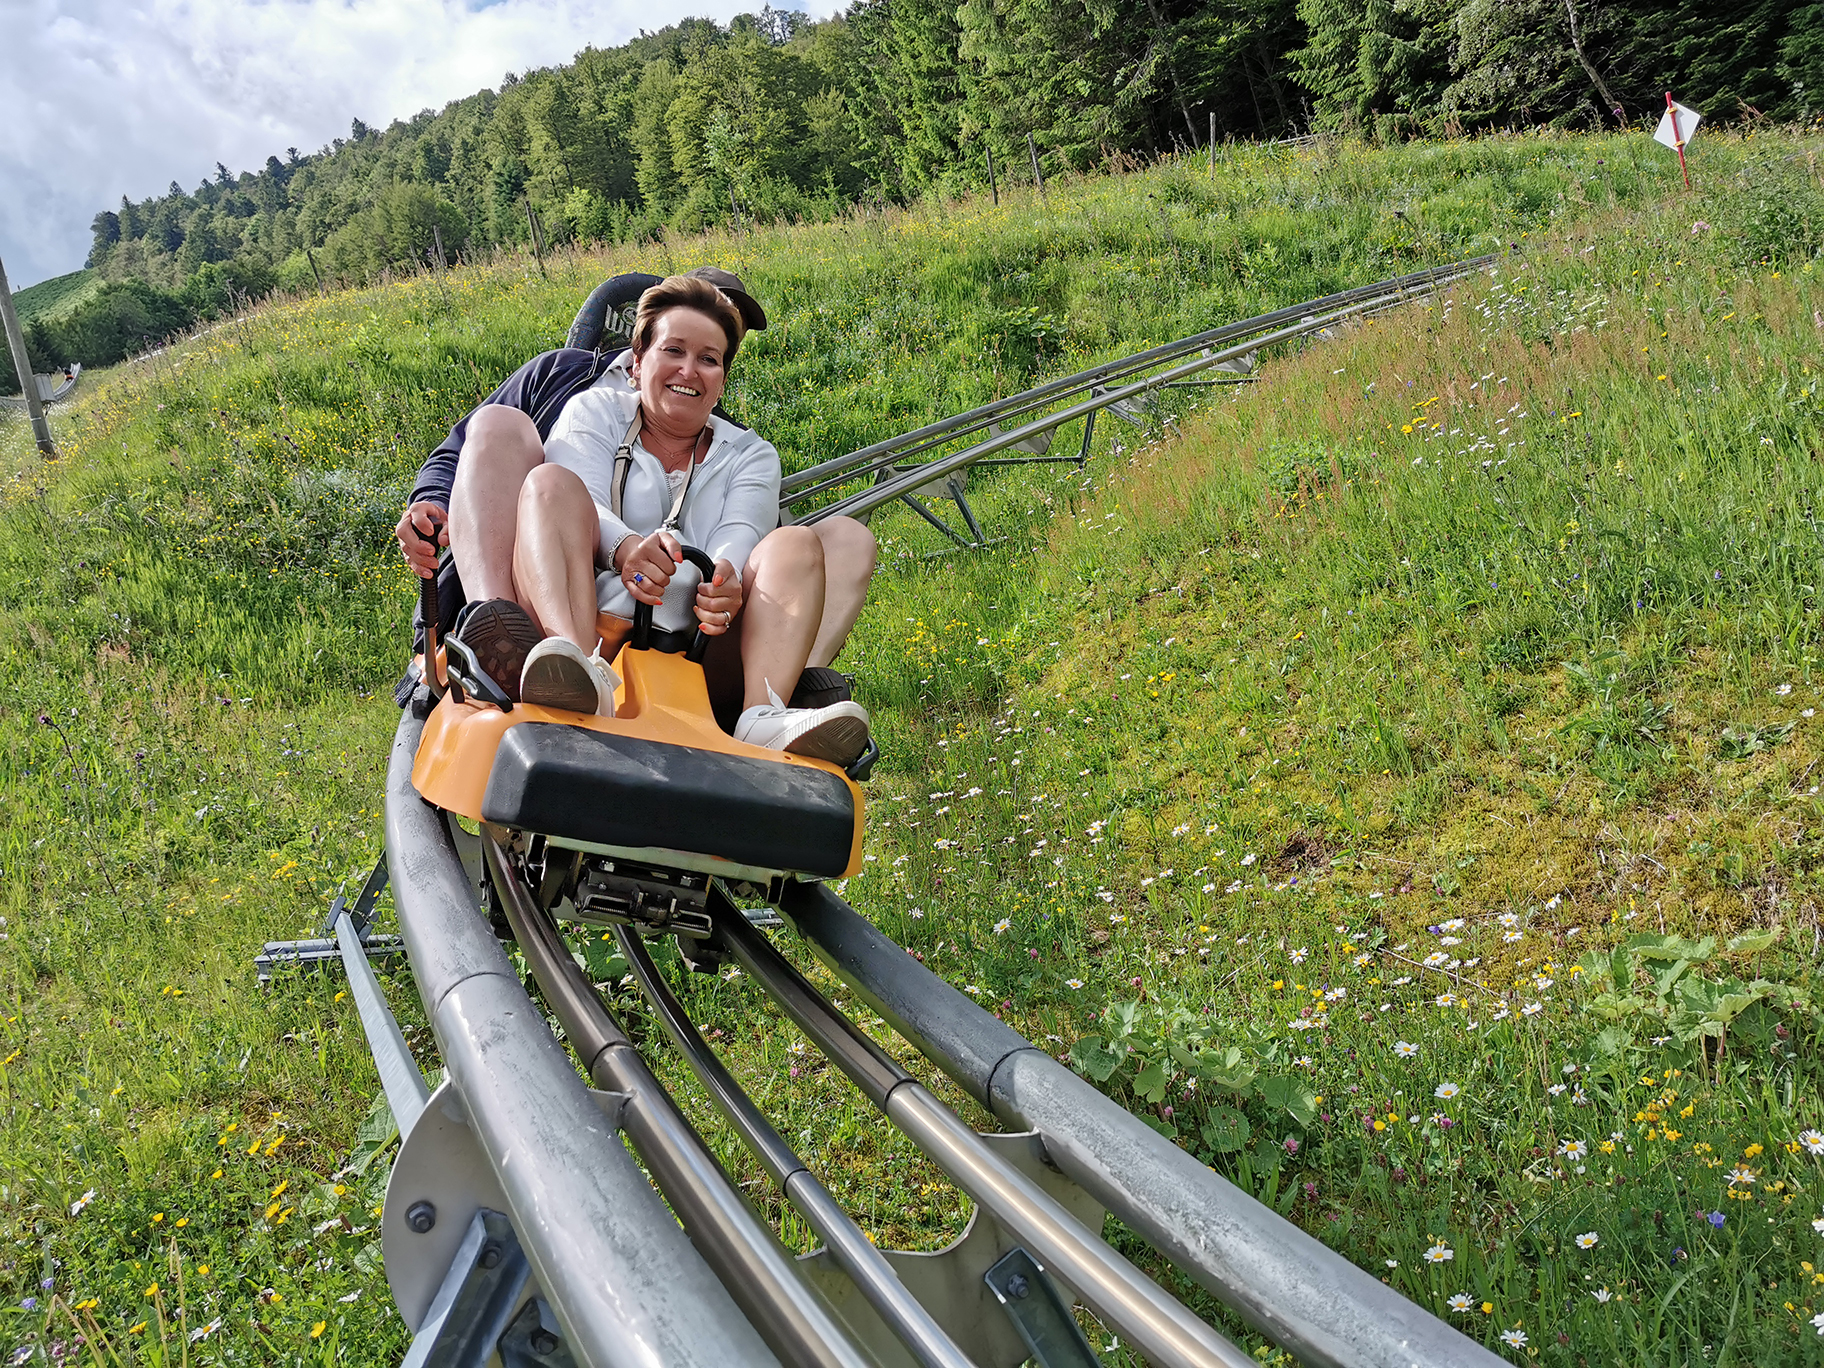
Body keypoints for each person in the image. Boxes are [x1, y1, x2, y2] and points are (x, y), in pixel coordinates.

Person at [397, 273, 873, 765]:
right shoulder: (583, 397)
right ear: (638, 358)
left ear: (723, 377)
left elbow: (744, 529)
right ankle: (550, 658)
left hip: (698, 647)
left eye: (710, 358)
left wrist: (724, 577)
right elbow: (567, 488)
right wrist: (625, 549)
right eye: (675, 350)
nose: (689, 369)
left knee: (803, 542)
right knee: (545, 479)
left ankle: (767, 709)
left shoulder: (748, 451)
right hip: (579, 606)